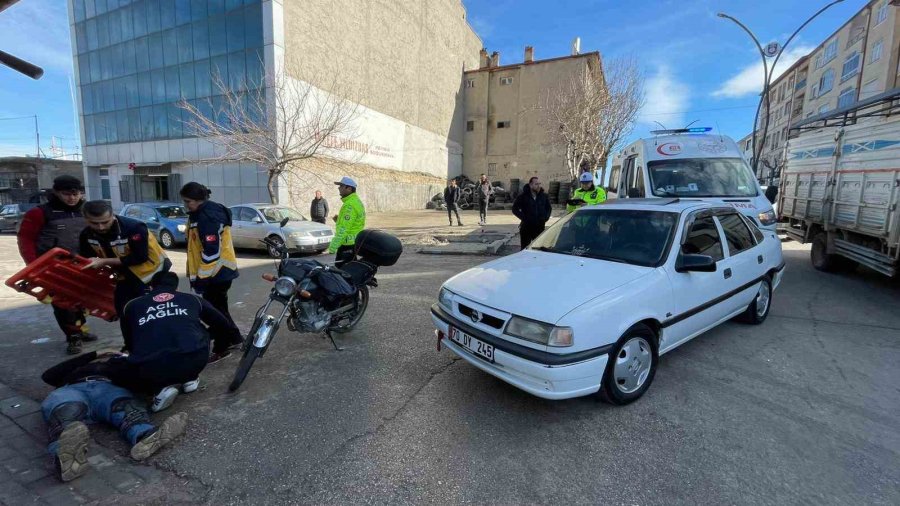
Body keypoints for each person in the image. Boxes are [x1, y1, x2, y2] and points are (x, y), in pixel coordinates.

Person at [40, 349, 187, 482]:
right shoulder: (78, 368)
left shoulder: (122, 368)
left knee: (126, 407)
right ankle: (65, 459)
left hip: (108, 389)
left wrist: (132, 363)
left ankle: (145, 436)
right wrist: (96, 354)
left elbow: (146, 382)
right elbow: (49, 376)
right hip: (73, 390)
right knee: (65, 414)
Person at [119, 271, 241, 410]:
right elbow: (223, 324)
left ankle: (159, 389)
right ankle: (189, 377)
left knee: (141, 347)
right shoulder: (192, 299)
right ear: (176, 288)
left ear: (151, 288)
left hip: (151, 367)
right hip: (194, 358)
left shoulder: (131, 306)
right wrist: (209, 338)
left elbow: (129, 341)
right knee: (194, 330)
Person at [17, 175, 98, 354]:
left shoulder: (86, 210)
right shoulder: (39, 213)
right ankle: (73, 337)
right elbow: (25, 240)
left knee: (82, 301)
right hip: (54, 268)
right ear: (56, 193)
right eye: (66, 194)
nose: (71, 198)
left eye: (75, 193)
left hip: (82, 265)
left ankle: (81, 330)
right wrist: (33, 266)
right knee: (64, 303)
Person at [79, 200, 171, 323]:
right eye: (94, 223)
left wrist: (103, 261)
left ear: (113, 216)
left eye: (105, 222)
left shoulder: (134, 228)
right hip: (124, 277)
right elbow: (88, 258)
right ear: (85, 219)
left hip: (152, 275)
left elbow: (140, 257)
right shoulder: (86, 234)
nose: (101, 227)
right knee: (124, 312)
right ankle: (131, 341)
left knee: (151, 314)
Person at [180, 182, 241, 363]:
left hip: (215, 274)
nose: (185, 205)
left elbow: (211, 252)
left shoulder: (207, 216)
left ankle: (222, 348)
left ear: (199, 200)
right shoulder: (200, 213)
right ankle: (235, 338)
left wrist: (201, 280)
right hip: (219, 273)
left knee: (215, 314)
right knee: (220, 310)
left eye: (188, 201)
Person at [328, 176, 366, 266]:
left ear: (348, 188)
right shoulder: (356, 201)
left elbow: (343, 229)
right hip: (354, 243)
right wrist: (338, 221)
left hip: (347, 245)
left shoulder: (349, 205)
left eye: (341, 186)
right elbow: (354, 223)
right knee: (351, 270)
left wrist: (332, 247)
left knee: (341, 274)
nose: (339, 188)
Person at [512, 176, 553, 250]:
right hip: (526, 228)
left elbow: (549, 208)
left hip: (539, 228)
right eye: (536, 184)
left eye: (539, 184)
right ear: (530, 185)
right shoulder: (523, 197)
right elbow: (515, 209)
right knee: (525, 250)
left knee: (538, 249)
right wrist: (525, 218)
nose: (538, 186)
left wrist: (545, 218)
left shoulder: (543, 196)